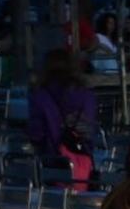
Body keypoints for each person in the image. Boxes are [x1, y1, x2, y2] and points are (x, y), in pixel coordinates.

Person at [27, 48, 98, 188]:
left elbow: (36, 133)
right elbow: (89, 128)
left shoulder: (41, 95)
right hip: (81, 160)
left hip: (51, 161)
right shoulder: (86, 94)